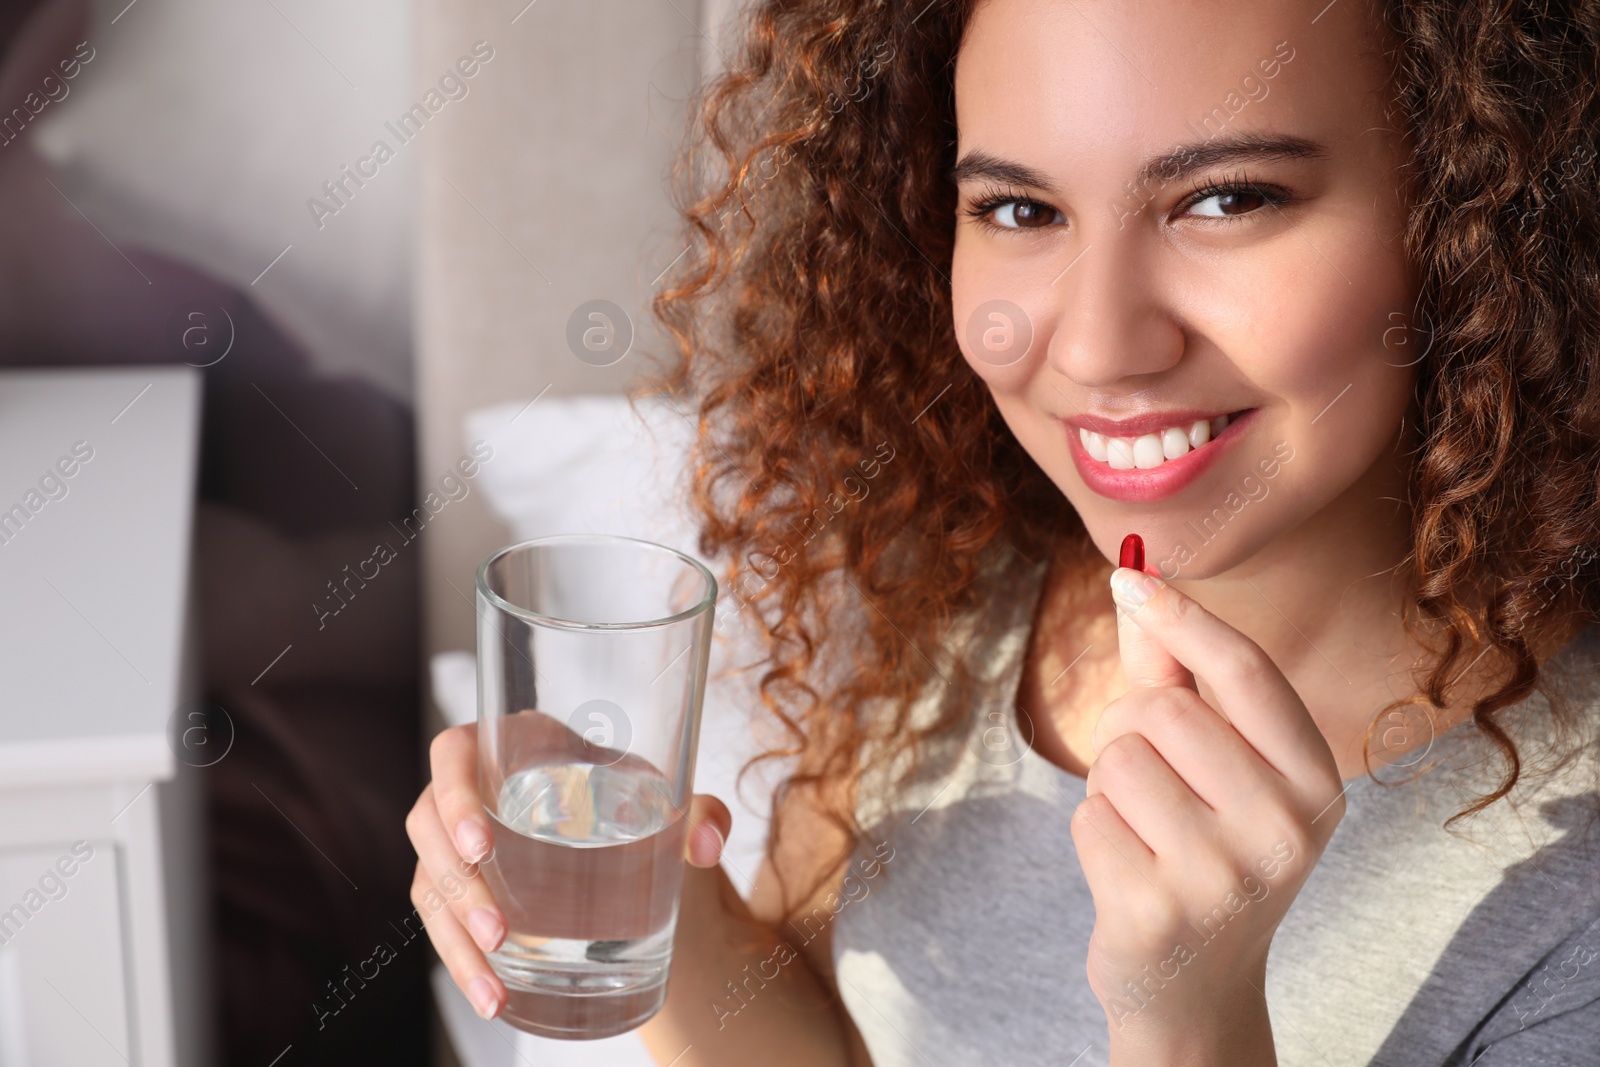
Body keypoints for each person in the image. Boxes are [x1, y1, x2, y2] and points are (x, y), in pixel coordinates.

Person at [406, 0, 1600, 1062]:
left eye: (1227, 198)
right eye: (1021, 208)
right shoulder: (954, 595)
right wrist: (662, 908)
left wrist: (1190, 1025)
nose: (1094, 344)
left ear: (1471, 212)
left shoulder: (1571, 891)